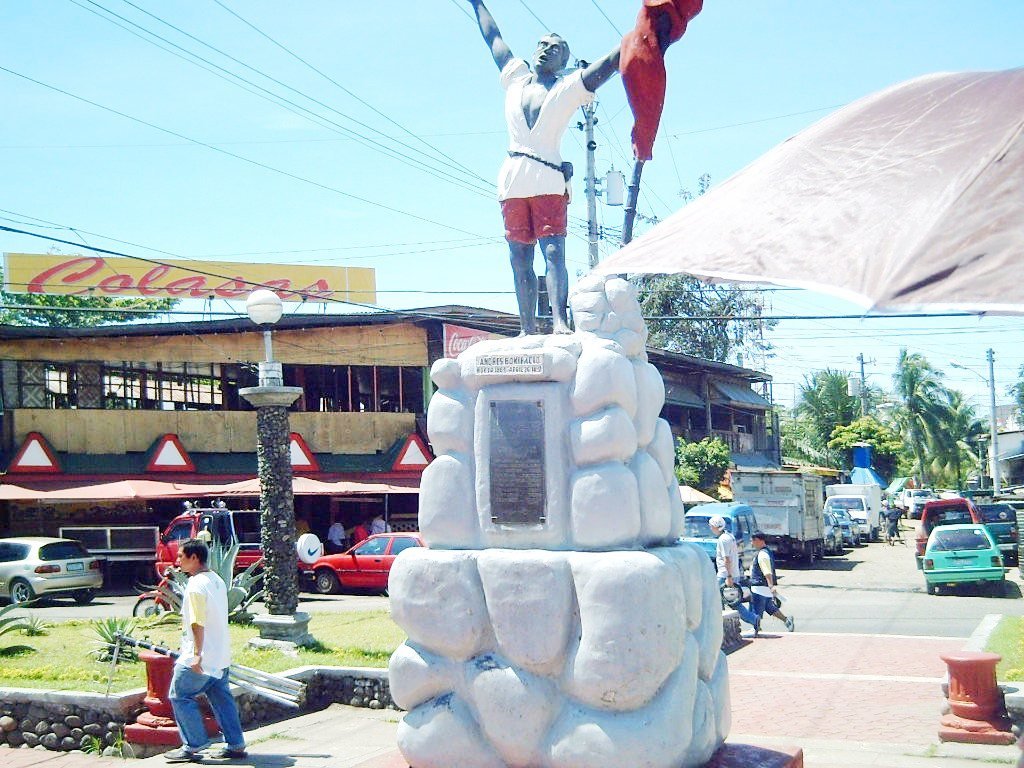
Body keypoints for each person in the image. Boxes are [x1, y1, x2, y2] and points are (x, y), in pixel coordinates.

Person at [465, 0, 620, 335]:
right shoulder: (515, 78)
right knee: (519, 256)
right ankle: (526, 327)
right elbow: (493, 37)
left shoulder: (570, 86)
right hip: (513, 177)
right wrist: (476, 3)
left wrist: (642, 33)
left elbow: (610, 63)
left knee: (553, 252)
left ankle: (560, 322)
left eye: (556, 49)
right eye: (543, 45)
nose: (546, 50)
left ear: (564, 60)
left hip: (548, 175)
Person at [163, 539, 247, 763]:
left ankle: (193, 745)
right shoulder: (217, 580)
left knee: (179, 695)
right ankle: (236, 744)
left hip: (201, 655)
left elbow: (197, 622)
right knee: (221, 698)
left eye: (181, 556)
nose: (177, 561)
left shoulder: (195, 585)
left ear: (194, 558)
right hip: (220, 654)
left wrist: (197, 654)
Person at [748, 531, 795, 635]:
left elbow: (767, 571)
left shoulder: (762, 554)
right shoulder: (766, 552)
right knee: (769, 607)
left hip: (759, 586)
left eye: (753, 540)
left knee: (756, 608)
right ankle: (787, 620)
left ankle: (756, 627)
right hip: (763, 586)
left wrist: (771, 585)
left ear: (759, 540)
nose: (752, 543)